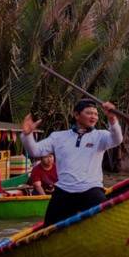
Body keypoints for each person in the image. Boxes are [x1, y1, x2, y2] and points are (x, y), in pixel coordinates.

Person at [20, 97, 123, 227]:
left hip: (91, 189)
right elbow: (35, 151)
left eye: (96, 114)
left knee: (109, 221)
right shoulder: (59, 137)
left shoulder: (100, 136)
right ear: (76, 115)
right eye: (89, 113)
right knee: (48, 229)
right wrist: (27, 135)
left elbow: (117, 140)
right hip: (64, 190)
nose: (94, 117)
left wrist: (112, 120)